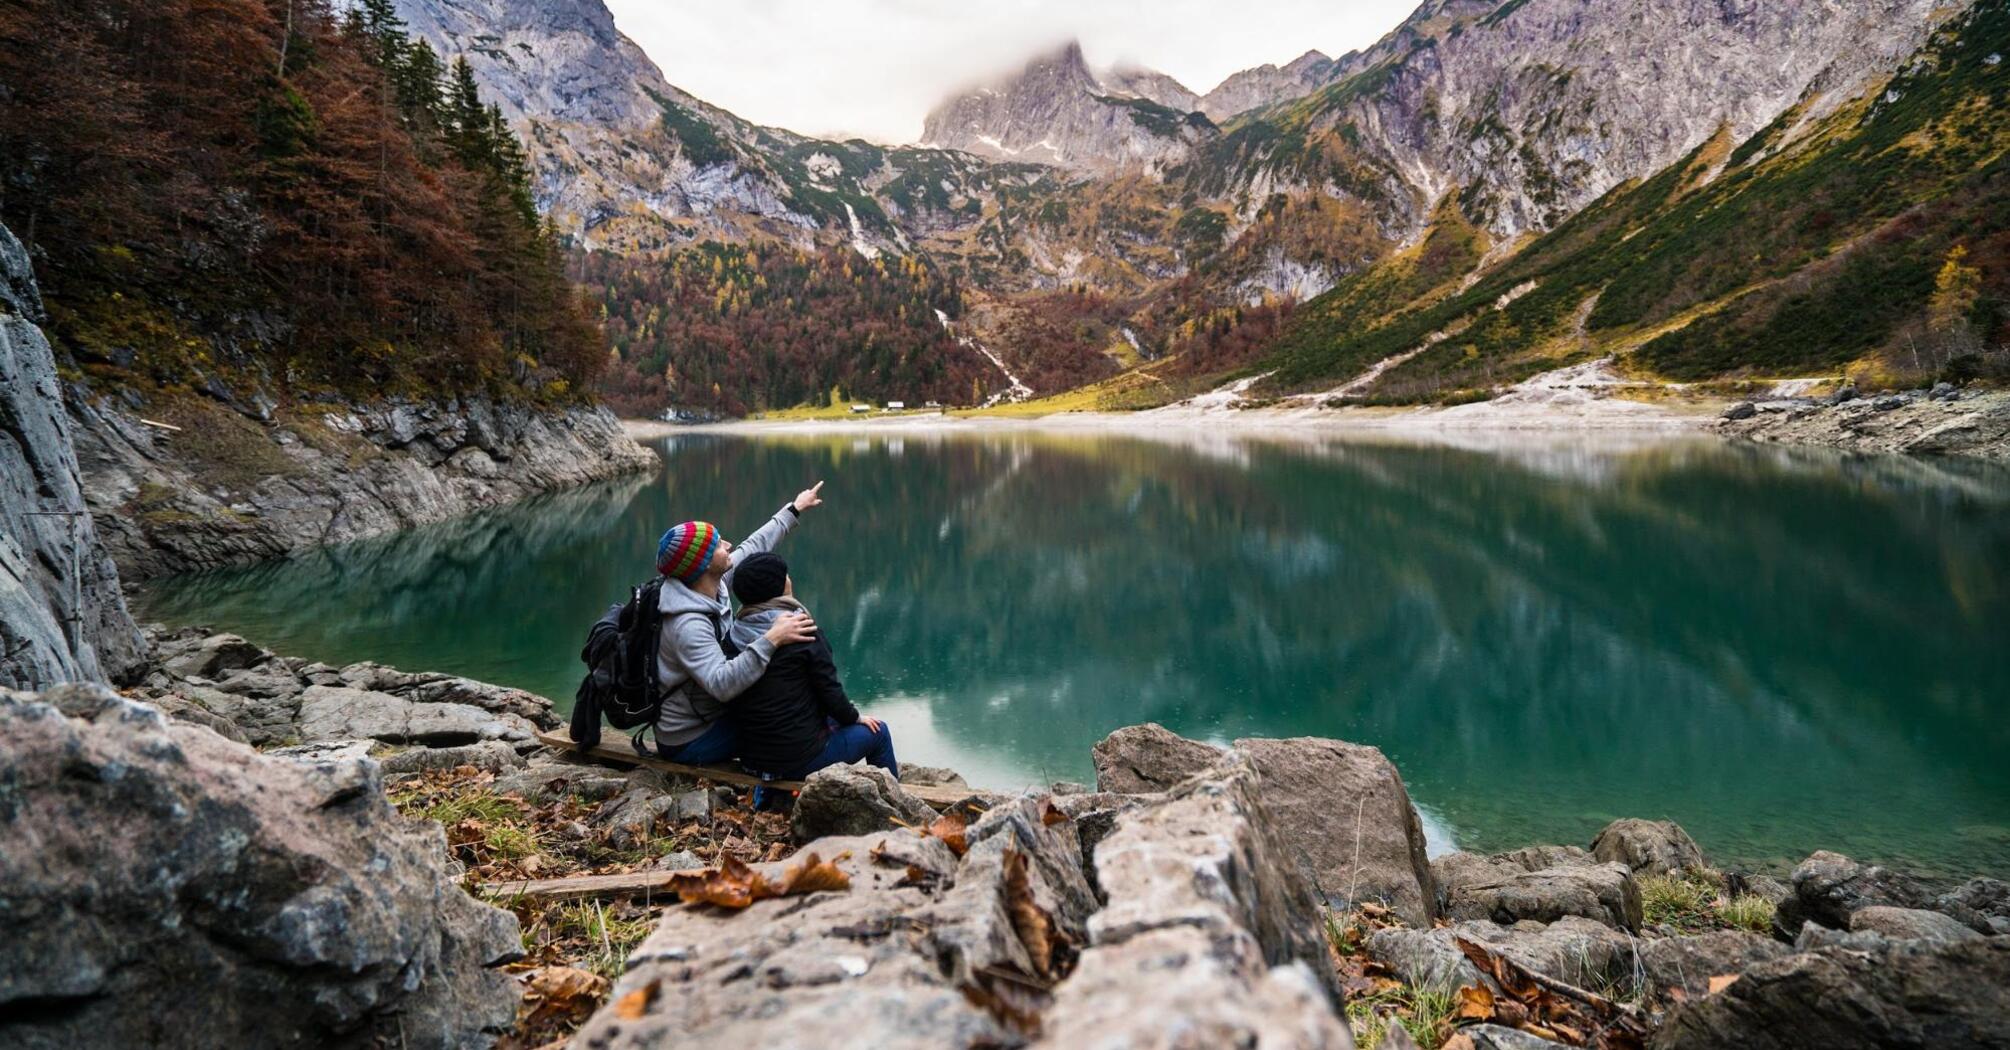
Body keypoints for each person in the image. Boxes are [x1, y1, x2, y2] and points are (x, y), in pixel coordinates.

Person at [652, 482, 825, 764]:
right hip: (690, 737)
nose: (728, 545)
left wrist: (794, 508)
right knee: (787, 726)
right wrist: (772, 638)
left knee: (789, 709)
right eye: (719, 545)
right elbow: (721, 684)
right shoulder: (687, 625)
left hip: (710, 712)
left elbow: (754, 545)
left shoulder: (711, 583)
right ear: (705, 563)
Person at [726, 551, 897, 780]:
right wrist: (855, 718)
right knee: (878, 732)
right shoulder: (803, 633)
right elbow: (830, 691)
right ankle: (896, 805)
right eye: (785, 575)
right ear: (778, 586)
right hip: (798, 760)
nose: (789, 579)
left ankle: (766, 798)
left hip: (752, 759)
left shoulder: (734, 633)